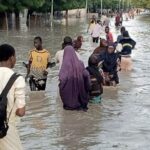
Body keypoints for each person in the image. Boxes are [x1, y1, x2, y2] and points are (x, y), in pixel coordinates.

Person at [0, 44, 26, 150]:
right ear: (11, 58)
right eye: (15, 57)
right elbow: (21, 112)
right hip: (6, 129)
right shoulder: (17, 79)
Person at [59, 45, 90, 111]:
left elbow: (62, 80)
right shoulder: (80, 63)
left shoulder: (64, 66)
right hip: (81, 97)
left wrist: (61, 90)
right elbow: (86, 75)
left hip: (69, 102)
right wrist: (87, 89)